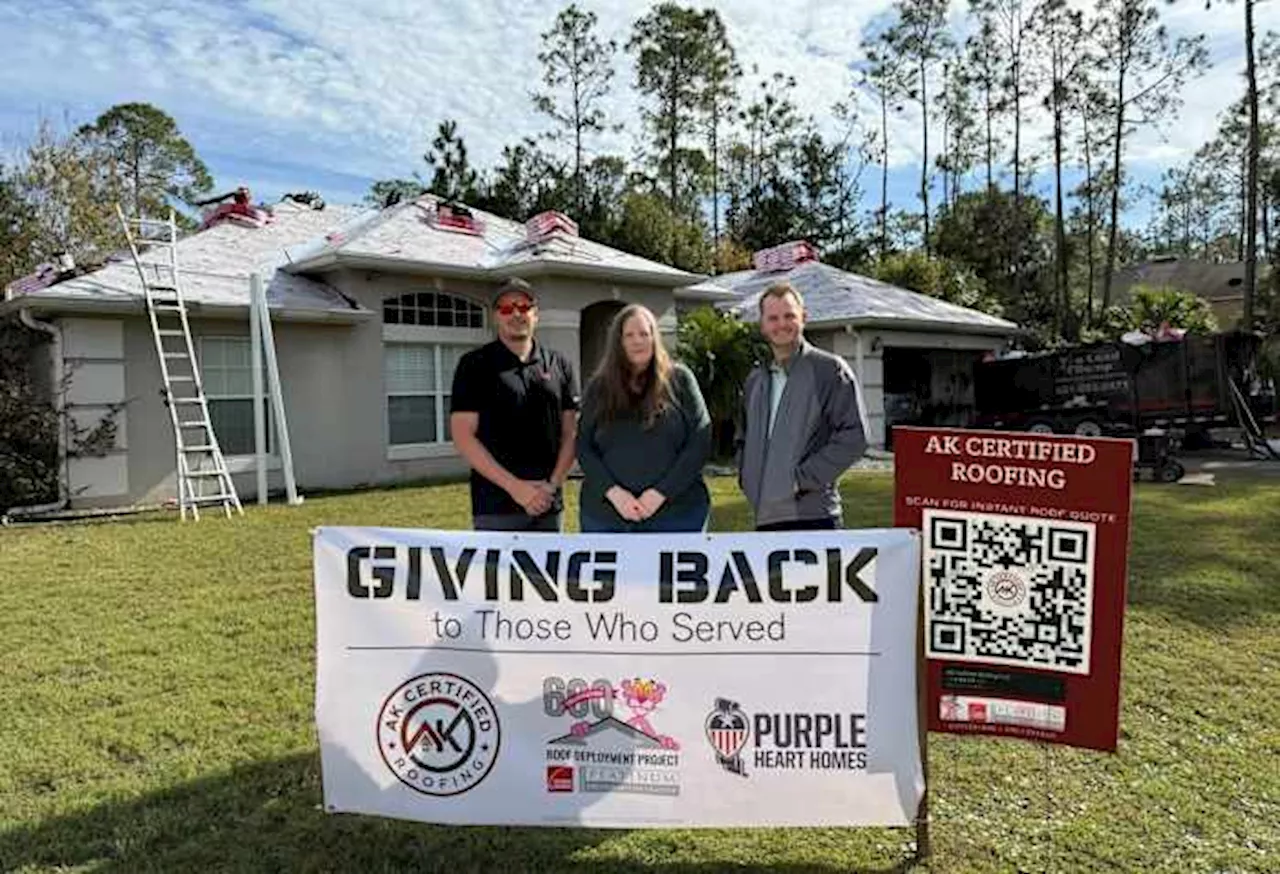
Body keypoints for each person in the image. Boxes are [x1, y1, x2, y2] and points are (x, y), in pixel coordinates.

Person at [736, 281, 869, 531]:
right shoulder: (756, 379)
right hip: (765, 518)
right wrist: (749, 479)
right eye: (773, 318)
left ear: (804, 318)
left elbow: (854, 437)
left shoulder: (829, 370)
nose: (781, 324)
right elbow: (743, 436)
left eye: (789, 316)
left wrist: (800, 480)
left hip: (815, 517)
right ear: (763, 324)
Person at [449, 278, 578, 531]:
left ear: (536, 315)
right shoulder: (474, 365)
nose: (516, 314)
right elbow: (463, 436)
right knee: (497, 573)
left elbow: (570, 434)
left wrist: (551, 487)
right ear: (495, 317)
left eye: (523, 307)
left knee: (547, 573)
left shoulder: (559, 364)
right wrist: (516, 488)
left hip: (548, 504)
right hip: (496, 508)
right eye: (506, 309)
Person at [576, 304, 712, 533]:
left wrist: (660, 493)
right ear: (618, 342)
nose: (637, 341)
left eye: (644, 334)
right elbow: (583, 446)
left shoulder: (680, 380)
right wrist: (614, 494)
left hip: (678, 516)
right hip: (606, 518)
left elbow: (700, 440)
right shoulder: (598, 388)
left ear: (654, 338)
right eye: (629, 335)